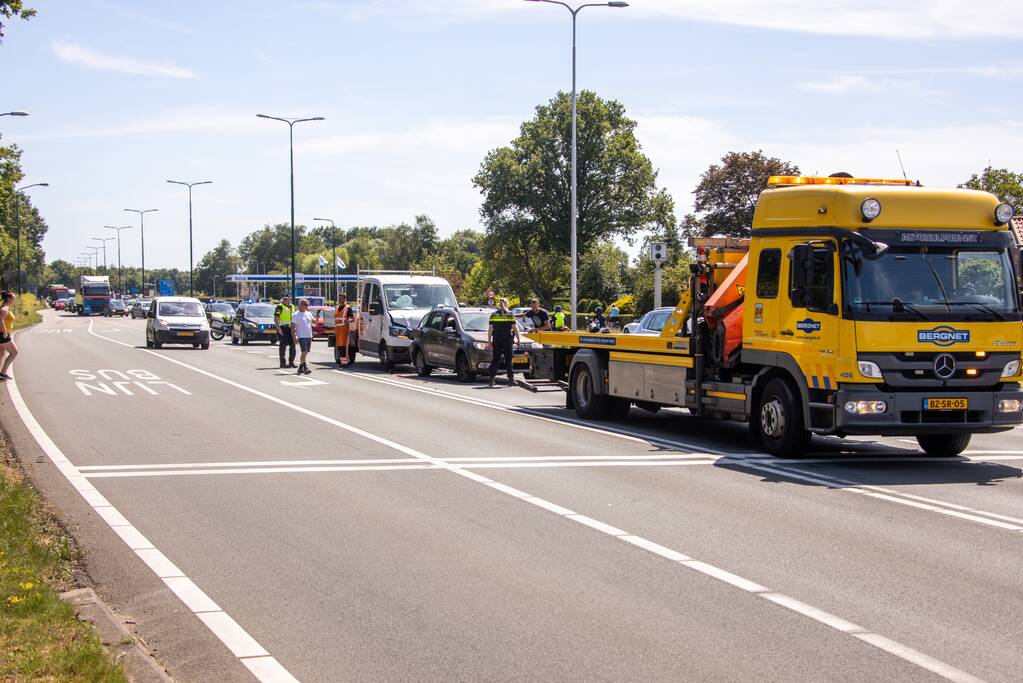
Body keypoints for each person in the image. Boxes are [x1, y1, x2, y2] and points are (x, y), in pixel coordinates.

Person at [488, 298, 520, 388]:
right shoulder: (509, 314)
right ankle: (510, 380)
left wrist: (489, 341)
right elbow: (514, 328)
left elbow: (490, 329)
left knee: (495, 359)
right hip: (507, 340)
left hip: (496, 339)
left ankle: (491, 380)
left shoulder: (493, 314)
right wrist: (518, 339)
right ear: (507, 304)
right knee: (508, 359)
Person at [292, 299, 316, 375]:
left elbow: (314, 323)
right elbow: (292, 327)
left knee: (306, 352)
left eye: (307, 305)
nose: (306, 306)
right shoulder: (296, 314)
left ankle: (300, 367)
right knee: (304, 352)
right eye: (304, 304)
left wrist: (317, 318)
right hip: (301, 336)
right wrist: (294, 337)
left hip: (309, 335)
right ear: (300, 305)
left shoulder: (308, 313)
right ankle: (305, 367)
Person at [274, 296, 296, 368]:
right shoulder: (280, 307)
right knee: (283, 346)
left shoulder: (292, 307)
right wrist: (278, 328)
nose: (287, 300)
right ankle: (283, 363)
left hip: (290, 329)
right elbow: (276, 318)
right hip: (283, 328)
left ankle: (291, 363)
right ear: (282, 300)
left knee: (293, 345)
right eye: (285, 299)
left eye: (288, 299)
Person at [335, 292, 355, 368]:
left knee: (344, 347)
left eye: (342, 298)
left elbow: (352, 318)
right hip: (338, 329)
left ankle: (345, 362)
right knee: (339, 347)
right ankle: (343, 361)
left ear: (345, 299)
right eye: (339, 298)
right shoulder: (337, 308)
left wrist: (349, 320)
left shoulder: (347, 308)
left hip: (344, 329)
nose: (340, 300)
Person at [0, 291, 16, 380]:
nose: (15, 300)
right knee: (14, 352)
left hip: (3, 334)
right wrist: (5, 332)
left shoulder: (6, 307)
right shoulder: (5, 308)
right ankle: (3, 372)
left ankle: (2, 373)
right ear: (9, 299)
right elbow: (1, 319)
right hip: (3, 335)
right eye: (14, 298)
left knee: (1, 354)